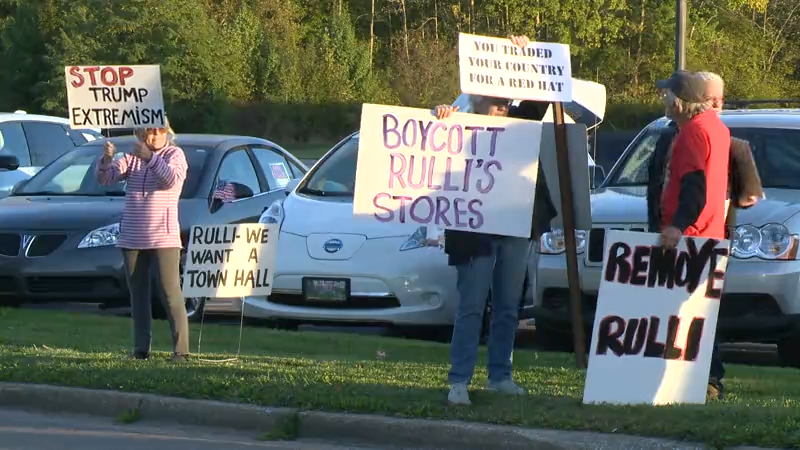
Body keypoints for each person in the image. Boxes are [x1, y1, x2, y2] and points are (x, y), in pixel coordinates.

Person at [434, 35, 553, 405]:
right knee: (471, 304)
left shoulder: (522, 123)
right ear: (477, 98)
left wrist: (525, 55)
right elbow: (433, 153)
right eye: (494, 102)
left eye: (505, 102)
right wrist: (441, 119)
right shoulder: (458, 127)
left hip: (515, 227)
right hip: (474, 231)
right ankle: (459, 380)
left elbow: (542, 95)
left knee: (507, 305)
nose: (501, 107)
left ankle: (500, 374)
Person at [654, 71, 731, 400]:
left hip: (691, 236)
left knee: (685, 310)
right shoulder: (717, 127)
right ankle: (708, 379)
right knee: (701, 311)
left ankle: (708, 379)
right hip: (710, 232)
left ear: (680, 102)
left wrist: (676, 226)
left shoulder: (691, 134)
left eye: (668, 95)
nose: (664, 101)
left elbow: (694, 188)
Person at [96, 119, 190, 362]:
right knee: (138, 295)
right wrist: (107, 159)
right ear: (140, 134)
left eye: (160, 130)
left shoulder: (174, 154)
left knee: (170, 293)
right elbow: (106, 179)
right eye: (150, 131)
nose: (155, 135)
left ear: (167, 132)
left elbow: (170, 180)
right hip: (132, 236)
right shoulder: (132, 157)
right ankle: (140, 349)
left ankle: (181, 351)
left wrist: (151, 158)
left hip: (163, 236)